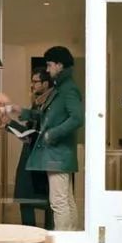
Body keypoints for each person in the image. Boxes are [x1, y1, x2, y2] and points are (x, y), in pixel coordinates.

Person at [19, 46, 84, 231]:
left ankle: (63, 242)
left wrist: (52, 134)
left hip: (58, 154)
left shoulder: (68, 89)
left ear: (59, 65)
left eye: (49, 65)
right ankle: (71, 238)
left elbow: (78, 118)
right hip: (58, 153)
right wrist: (21, 112)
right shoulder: (62, 87)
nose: (47, 70)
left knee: (59, 202)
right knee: (66, 200)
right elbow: (47, 117)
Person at [11, 68, 54, 230]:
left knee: (37, 199)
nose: (32, 85)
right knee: (27, 197)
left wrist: (10, 123)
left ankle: (42, 233)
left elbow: (33, 133)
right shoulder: (37, 101)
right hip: (33, 154)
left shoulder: (48, 104)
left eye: (36, 81)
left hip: (40, 156)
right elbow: (28, 132)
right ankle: (31, 232)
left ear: (46, 83)